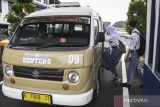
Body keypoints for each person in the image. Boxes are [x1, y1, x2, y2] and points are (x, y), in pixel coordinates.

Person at [120, 20, 143, 88]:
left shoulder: (134, 34)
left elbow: (131, 47)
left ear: (130, 25)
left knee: (132, 68)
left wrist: (127, 56)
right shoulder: (137, 32)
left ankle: (129, 83)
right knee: (135, 68)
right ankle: (143, 81)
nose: (128, 27)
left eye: (129, 25)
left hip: (135, 53)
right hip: (136, 52)